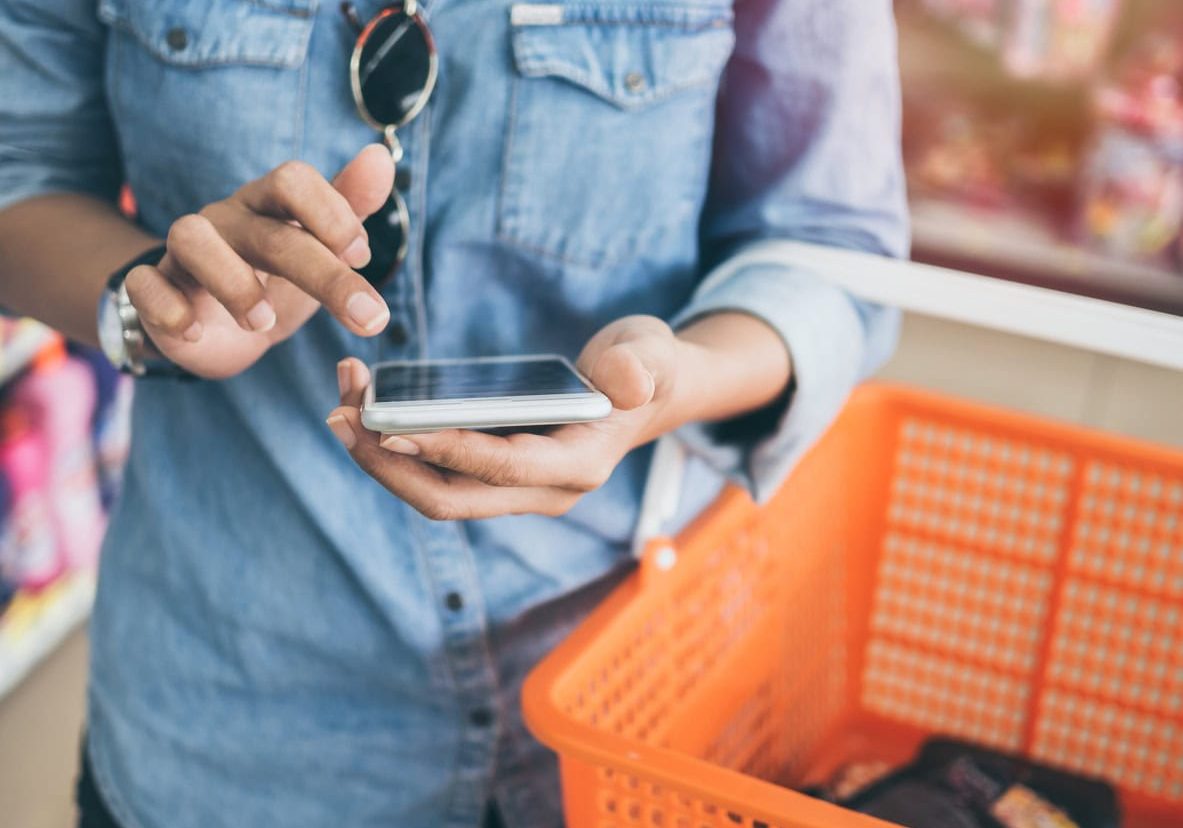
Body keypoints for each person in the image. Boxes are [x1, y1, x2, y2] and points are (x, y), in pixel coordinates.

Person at [0, 0, 908, 825]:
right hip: (229, 726)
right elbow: (20, 172)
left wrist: (672, 381)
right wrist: (149, 307)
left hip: (633, 707)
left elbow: (829, 243)